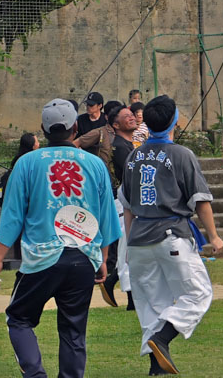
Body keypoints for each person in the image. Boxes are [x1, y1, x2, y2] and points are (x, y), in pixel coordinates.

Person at [0, 97, 120, 378]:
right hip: (83, 257)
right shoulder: (94, 165)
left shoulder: (26, 163)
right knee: (73, 330)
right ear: (74, 127)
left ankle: (35, 374)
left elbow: (12, 216)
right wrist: (103, 260)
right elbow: (107, 217)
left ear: (43, 130)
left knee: (19, 318)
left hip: (41, 258)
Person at [119, 95, 223, 376]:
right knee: (199, 294)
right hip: (171, 236)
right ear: (174, 121)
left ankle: (157, 368)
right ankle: (162, 340)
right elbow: (201, 200)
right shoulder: (181, 154)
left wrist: (129, 243)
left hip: (139, 239)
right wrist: (213, 237)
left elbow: (127, 207)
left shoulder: (133, 156)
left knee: (153, 305)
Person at [101, 106, 137, 311]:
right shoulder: (121, 148)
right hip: (123, 204)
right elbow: (130, 178)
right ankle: (131, 301)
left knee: (129, 251)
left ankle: (112, 281)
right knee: (126, 252)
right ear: (116, 124)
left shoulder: (128, 145)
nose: (131, 117)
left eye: (132, 115)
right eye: (126, 117)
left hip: (128, 204)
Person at [0, 133, 39, 206]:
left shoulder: (17, 161)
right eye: (37, 142)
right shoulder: (29, 164)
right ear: (33, 146)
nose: (39, 144)